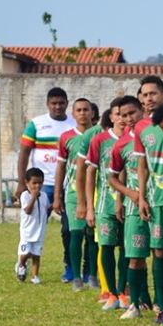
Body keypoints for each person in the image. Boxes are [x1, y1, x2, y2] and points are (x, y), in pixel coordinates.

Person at [133, 76, 163, 325]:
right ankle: (162, 307)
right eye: (144, 94)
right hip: (158, 199)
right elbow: (141, 165)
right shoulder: (141, 129)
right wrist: (141, 197)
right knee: (161, 252)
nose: (148, 98)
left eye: (153, 93)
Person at [17, 87, 74, 281]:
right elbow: (24, 153)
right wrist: (21, 183)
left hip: (68, 185)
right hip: (41, 186)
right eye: (54, 103)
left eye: (61, 103)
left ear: (67, 103)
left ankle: (69, 267)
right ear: (47, 104)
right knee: (32, 226)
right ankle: (23, 263)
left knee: (69, 229)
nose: (58, 106)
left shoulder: (73, 125)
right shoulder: (36, 124)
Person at [108, 95, 153, 319]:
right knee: (135, 256)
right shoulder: (120, 145)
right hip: (135, 206)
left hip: (158, 201)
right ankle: (136, 303)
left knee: (161, 253)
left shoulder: (156, 133)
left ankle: (160, 303)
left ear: (142, 111)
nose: (127, 119)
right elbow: (113, 178)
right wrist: (129, 195)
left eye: (132, 113)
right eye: (123, 115)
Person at [85, 98, 128, 310]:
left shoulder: (134, 139)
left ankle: (123, 291)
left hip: (130, 205)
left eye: (125, 114)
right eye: (117, 114)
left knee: (126, 248)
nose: (122, 118)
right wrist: (89, 207)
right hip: (104, 205)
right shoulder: (99, 140)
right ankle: (110, 292)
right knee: (107, 247)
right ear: (110, 117)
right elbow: (90, 172)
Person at [53, 97, 96, 291]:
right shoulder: (66, 137)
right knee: (75, 233)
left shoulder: (99, 135)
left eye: (86, 110)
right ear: (73, 114)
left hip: (96, 191)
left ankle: (92, 274)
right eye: (78, 110)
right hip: (72, 192)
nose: (82, 113)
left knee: (93, 234)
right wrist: (57, 195)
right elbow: (60, 167)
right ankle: (76, 276)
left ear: (92, 113)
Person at [15, 167, 49, 284]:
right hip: (27, 232)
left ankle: (35, 276)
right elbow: (28, 210)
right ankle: (21, 264)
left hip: (39, 231)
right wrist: (33, 197)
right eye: (34, 183)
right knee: (25, 253)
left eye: (40, 183)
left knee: (36, 255)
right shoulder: (25, 195)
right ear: (27, 183)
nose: (37, 186)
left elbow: (46, 209)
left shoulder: (44, 196)